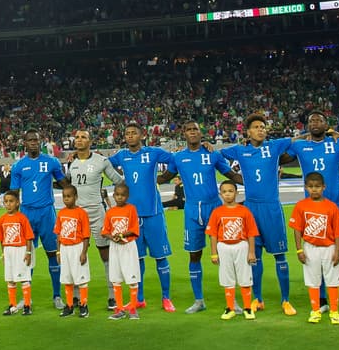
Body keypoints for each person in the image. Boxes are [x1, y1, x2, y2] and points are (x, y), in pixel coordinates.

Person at [220, 114, 298, 315]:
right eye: (256, 127)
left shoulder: (274, 146)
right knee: (255, 256)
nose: (260, 129)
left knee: (280, 255)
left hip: (272, 207)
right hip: (252, 209)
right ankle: (258, 299)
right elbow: (217, 156)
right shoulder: (240, 150)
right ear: (248, 132)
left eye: (263, 126)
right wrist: (235, 177)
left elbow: (299, 140)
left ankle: (285, 300)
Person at [287, 111, 339, 315]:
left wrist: (336, 133)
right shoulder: (299, 145)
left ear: (326, 124)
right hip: (311, 212)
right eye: (311, 121)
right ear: (307, 125)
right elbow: (284, 148)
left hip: (337, 207)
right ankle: (321, 300)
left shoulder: (337, 142)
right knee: (315, 258)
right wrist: (304, 136)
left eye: (319, 120)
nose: (315, 123)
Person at [161, 120, 233, 314]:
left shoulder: (212, 154)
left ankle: (232, 301)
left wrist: (252, 183)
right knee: (194, 254)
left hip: (214, 209)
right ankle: (199, 300)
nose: (192, 132)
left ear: (201, 133)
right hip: (192, 210)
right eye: (188, 129)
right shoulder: (178, 158)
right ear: (183, 134)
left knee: (226, 252)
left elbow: (231, 174)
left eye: (195, 129)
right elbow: (164, 177)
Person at [108, 123, 177, 311]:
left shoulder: (153, 153)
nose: (130, 136)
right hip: (132, 217)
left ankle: (166, 297)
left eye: (133, 133)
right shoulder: (122, 155)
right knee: (137, 259)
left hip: (153, 213)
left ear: (141, 135)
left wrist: (164, 178)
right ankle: (139, 298)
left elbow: (175, 159)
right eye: (127, 133)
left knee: (161, 256)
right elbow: (104, 164)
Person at [62, 128, 123, 307]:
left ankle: (112, 294)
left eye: (83, 137)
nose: (79, 140)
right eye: (77, 137)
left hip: (97, 213)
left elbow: (119, 181)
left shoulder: (101, 161)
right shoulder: (71, 163)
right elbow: (66, 184)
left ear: (90, 141)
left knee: (105, 253)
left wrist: (118, 203)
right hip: (76, 216)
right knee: (75, 254)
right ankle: (75, 296)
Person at [8, 130, 66, 308]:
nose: (34, 142)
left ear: (41, 142)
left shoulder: (52, 162)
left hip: (47, 213)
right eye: (30, 140)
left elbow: (65, 185)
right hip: (26, 214)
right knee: (26, 255)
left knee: (52, 254)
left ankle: (57, 295)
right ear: (24, 143)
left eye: (36, 140)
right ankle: (26, 298)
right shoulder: (18, 166)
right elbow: (14, 193)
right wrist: (14, 216)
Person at [289, 172, 339, 325]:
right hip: (310, 248)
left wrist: (337, 252)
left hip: (329, 247)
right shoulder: (301, 205)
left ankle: (334, 311)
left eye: (317, 187)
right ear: (306, 187)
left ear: (324, 187)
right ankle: (315, 310)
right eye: (310, 187)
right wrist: (299, 249)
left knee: (332, 280)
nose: (314, 190)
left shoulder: (332, 207)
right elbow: (296, 229)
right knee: (312, 280)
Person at [205, 179, 258, 320]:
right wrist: (213, 253)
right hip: (223, 247)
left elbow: (251, 232)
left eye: (230, 191)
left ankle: (247, 308)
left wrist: (251, 252)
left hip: (241, 246)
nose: (227, 194)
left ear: (237, 193)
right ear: (220, 194)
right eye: (224, 192)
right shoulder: (217, 212)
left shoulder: (244, 211)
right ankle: (230, 308)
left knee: (245, 277)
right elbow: (213, 235)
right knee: (227, 278)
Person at [103, 182, 142, 320]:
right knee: (115, 278)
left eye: (122, 195)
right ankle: (119, 309)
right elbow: (105, 231)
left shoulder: (131, 209)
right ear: (113, 195)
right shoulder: (110, 212)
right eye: (117, 195)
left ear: (127, 196)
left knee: (132, 278)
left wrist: (122, 235)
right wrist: (113, 237)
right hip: (115, 247)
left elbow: (134, 229)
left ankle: (132, 309)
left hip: (128, 247)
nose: (119, 197)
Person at [55, 184, 92, 317]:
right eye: (64, 197)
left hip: (77, 248)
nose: (66, 199)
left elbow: (86, 235)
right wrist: (58, 251)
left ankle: (83, 305)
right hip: (64, 249)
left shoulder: (81, 213)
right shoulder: (61, 213)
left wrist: (83, 252)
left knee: (81, 278)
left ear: (76, 197)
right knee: (67, 278)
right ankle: (69, 306)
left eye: (69, 196)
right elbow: (58, 234)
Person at [0, 189, 36, 316]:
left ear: (17, 203)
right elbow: (1, 239)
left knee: (24, 278)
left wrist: (28, 253)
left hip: (20, 250)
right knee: (10, 279)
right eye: (6, 202)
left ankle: (27, 305)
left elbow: (29, 237)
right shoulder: (2, 219)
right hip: (8, 251)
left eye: (11, 201)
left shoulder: (22, 218)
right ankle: (12, 305)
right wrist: (3, 254)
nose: (8, 204)